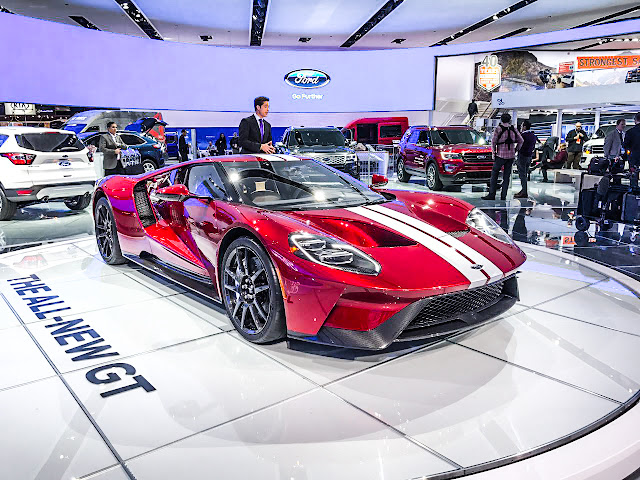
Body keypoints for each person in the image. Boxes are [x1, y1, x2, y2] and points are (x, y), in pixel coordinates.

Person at [482, 113, 523, 201]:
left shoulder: (498, 128)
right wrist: (516, 150)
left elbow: (493, 142)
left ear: (501, 119)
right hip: (510, 156)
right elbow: (521, 140)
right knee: (506, 176)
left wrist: (494, 153)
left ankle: (492, 194)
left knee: (494, 174)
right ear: (509, 120)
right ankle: (503, 196)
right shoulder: (513, 129)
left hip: (500, 155)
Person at [514, 119, 538, 198]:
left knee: (522, 175)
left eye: (521, 126)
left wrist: (515, 150)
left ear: (524, 127)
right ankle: (523, 190)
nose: (521, 127)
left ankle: (524, 192)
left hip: (522, 156)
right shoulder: (533, 135)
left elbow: (519, 144)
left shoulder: (523, 135)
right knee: (525, 174)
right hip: (529, 156)